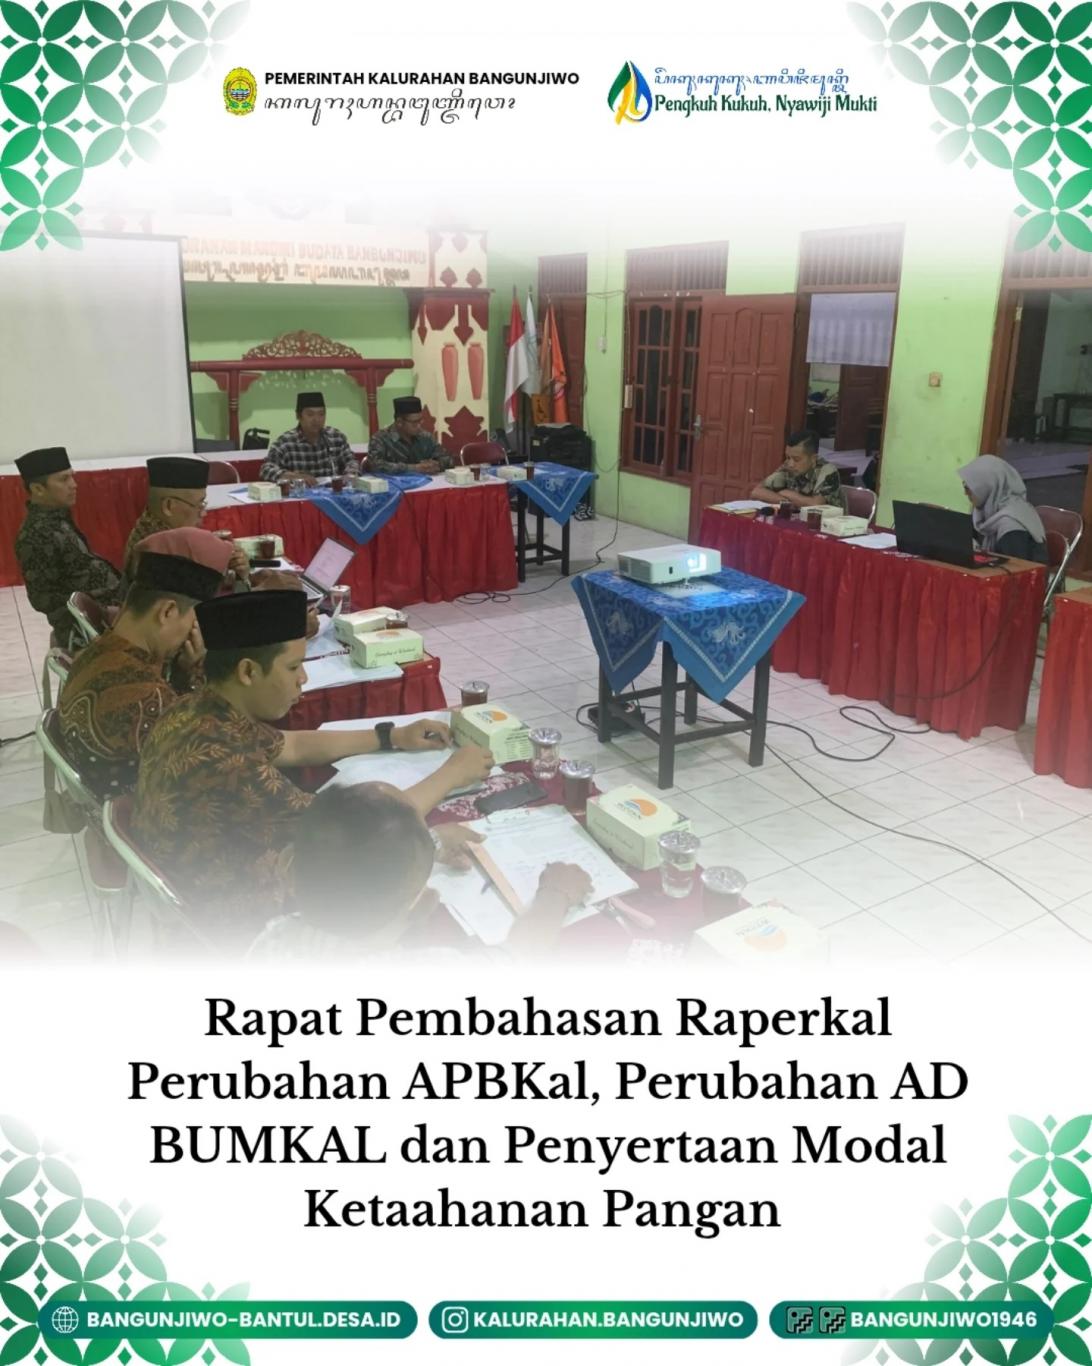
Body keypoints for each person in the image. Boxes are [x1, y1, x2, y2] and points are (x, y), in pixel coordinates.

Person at [131, 590, 492, 937]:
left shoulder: (198, 710)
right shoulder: (228, 762)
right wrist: (452, 774)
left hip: (197, 881)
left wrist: (391, 735)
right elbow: (363, 830)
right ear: (248, 671)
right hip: (239, 924)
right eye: (293, 666)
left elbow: (291, 745)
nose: (302, 678)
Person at [247, 782, 593, 962]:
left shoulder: (275, 937)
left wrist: (429, 843)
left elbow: (355, 854)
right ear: (422, 899)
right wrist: (556, 892)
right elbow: (517, 956)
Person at [58, 530, 231, 798]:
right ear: (167, 612)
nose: (192, 633)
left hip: (112, 798)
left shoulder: (98, 650)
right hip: (140, 812)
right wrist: (199, 673)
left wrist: (184, 671)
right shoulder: (146, 697)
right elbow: (217, 749)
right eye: (193, 622)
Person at [14, 446, 122, 639]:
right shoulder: (37, 534)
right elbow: (42, 597)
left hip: (112, 608)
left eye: (72, 477)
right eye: (64, 479)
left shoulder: (57, 518)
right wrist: (96, 611)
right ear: (38, 489)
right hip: (91, 625)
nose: (74, 485)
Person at [123, 455, 249, 584]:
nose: (204, 513)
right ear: (169, 506)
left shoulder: (156, 531)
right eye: (199, 505)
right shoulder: (156, 551)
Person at [958, 454, 1048, 564]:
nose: (965, 493)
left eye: (968, 488)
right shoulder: (988, 508)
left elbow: (1014, 568)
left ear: (987, 487)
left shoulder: (1012, 526)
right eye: (965, 486)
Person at [260, 391, 357, 486]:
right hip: (300, 494)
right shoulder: (286, 442)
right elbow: (266, 470)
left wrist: (350, 475)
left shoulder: (336, 437)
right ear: (298, 416)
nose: (316, 419)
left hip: (332, 493)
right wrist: (293, 476)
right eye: (310, 414)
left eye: (321, 414)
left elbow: (351, 462)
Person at [750, 430, 846, 511]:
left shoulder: (827, 470)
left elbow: (816, 506)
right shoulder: (788, 465)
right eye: (788, 457)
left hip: (830, 524)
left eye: (796, 459)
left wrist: (784, 492)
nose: (791, 464)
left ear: (813, 459)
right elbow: (756, 492)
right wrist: (786, 502)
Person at [366, 396, 455, 476]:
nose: (419, 426)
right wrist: (414, 468)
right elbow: (375, 466)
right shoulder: (381, 439)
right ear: (399, 422)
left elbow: (448, 460)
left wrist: (435, 465)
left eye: (420, 421)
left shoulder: (425, 437)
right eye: (415, 423)